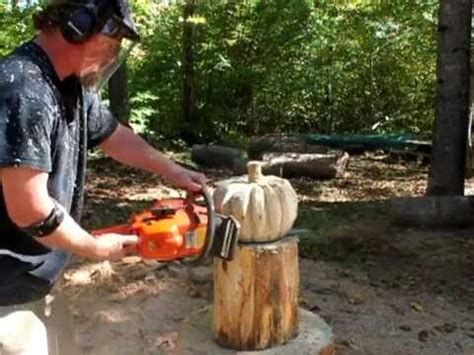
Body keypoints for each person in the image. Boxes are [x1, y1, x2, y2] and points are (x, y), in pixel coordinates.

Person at [0, 0, 206, 307]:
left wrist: (174, 171)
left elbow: (115, 136)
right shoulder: (24, 89)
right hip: (6, 290)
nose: (112, 55)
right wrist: (95, 248)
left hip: (33, 280)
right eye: (112, 43)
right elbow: (29, 209)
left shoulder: (68, 84)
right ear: (77, 26)